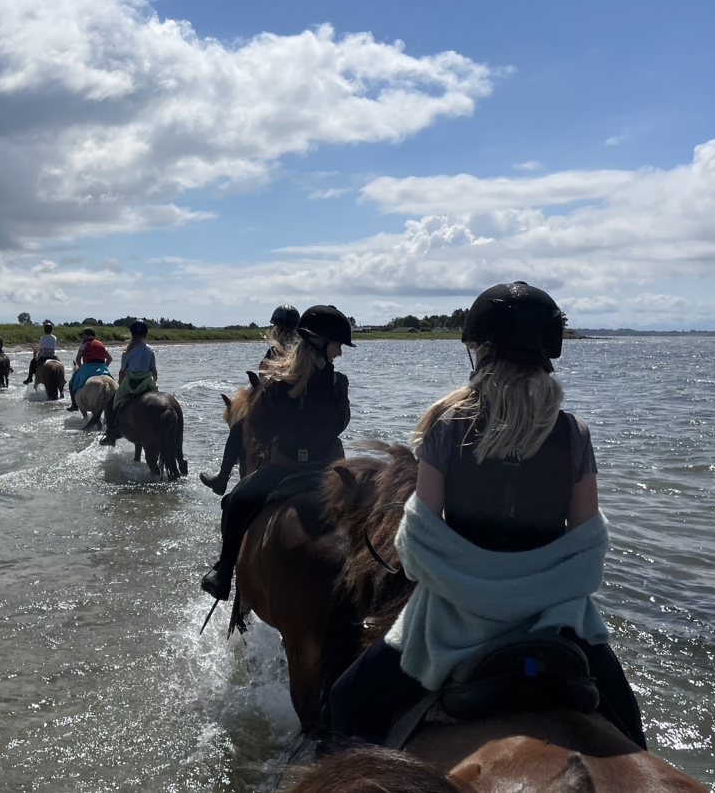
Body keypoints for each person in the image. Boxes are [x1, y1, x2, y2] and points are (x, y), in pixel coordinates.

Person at [328, 281, 647, 751]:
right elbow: (586, 546)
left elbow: (417, 541)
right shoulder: (573, 432)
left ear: (480, 351)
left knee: (346, 701)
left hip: (450, 620)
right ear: (548, 353)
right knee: (629, 725)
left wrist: (459, 577)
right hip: (553, 618)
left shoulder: (446, 423)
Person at [200, 304, 354, 601]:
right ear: (319, 343)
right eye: (337, 345)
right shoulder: (338, 383)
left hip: (284, 468)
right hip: (325, 471)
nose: (340, 352)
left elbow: (258, 429)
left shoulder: (275, 384)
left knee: (235, 502)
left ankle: (223, 574)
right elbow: (341, 425)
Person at [199, 304, 301, 495]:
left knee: (238, 429)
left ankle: (222, 479)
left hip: (274, 414)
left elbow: (263, 385)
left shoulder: (274, 353)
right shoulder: (303, 353)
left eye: (277, 327)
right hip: (299, 415)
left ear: (277, 329)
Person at [99, 319, 158, 445]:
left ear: (131, 333)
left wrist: (120, 384)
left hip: (131, 382)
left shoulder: (127, 350)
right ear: (145, 334)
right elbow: (154, 370)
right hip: (146, 382)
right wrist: (155, 381)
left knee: (110, 405)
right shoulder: (150, 349)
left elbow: (122, 371)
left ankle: (110, 434)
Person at [67, 335, 113, 406]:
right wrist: (105, 367)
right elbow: (109, 358)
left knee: (71, 383)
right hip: (102, 367)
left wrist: (82, 367)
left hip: (87, 367)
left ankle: (74, 405)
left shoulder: (84, 345)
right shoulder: (100, 344)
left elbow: (78, 359)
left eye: (83, 335)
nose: (82, 337)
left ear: (87, 336)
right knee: (113, 383)